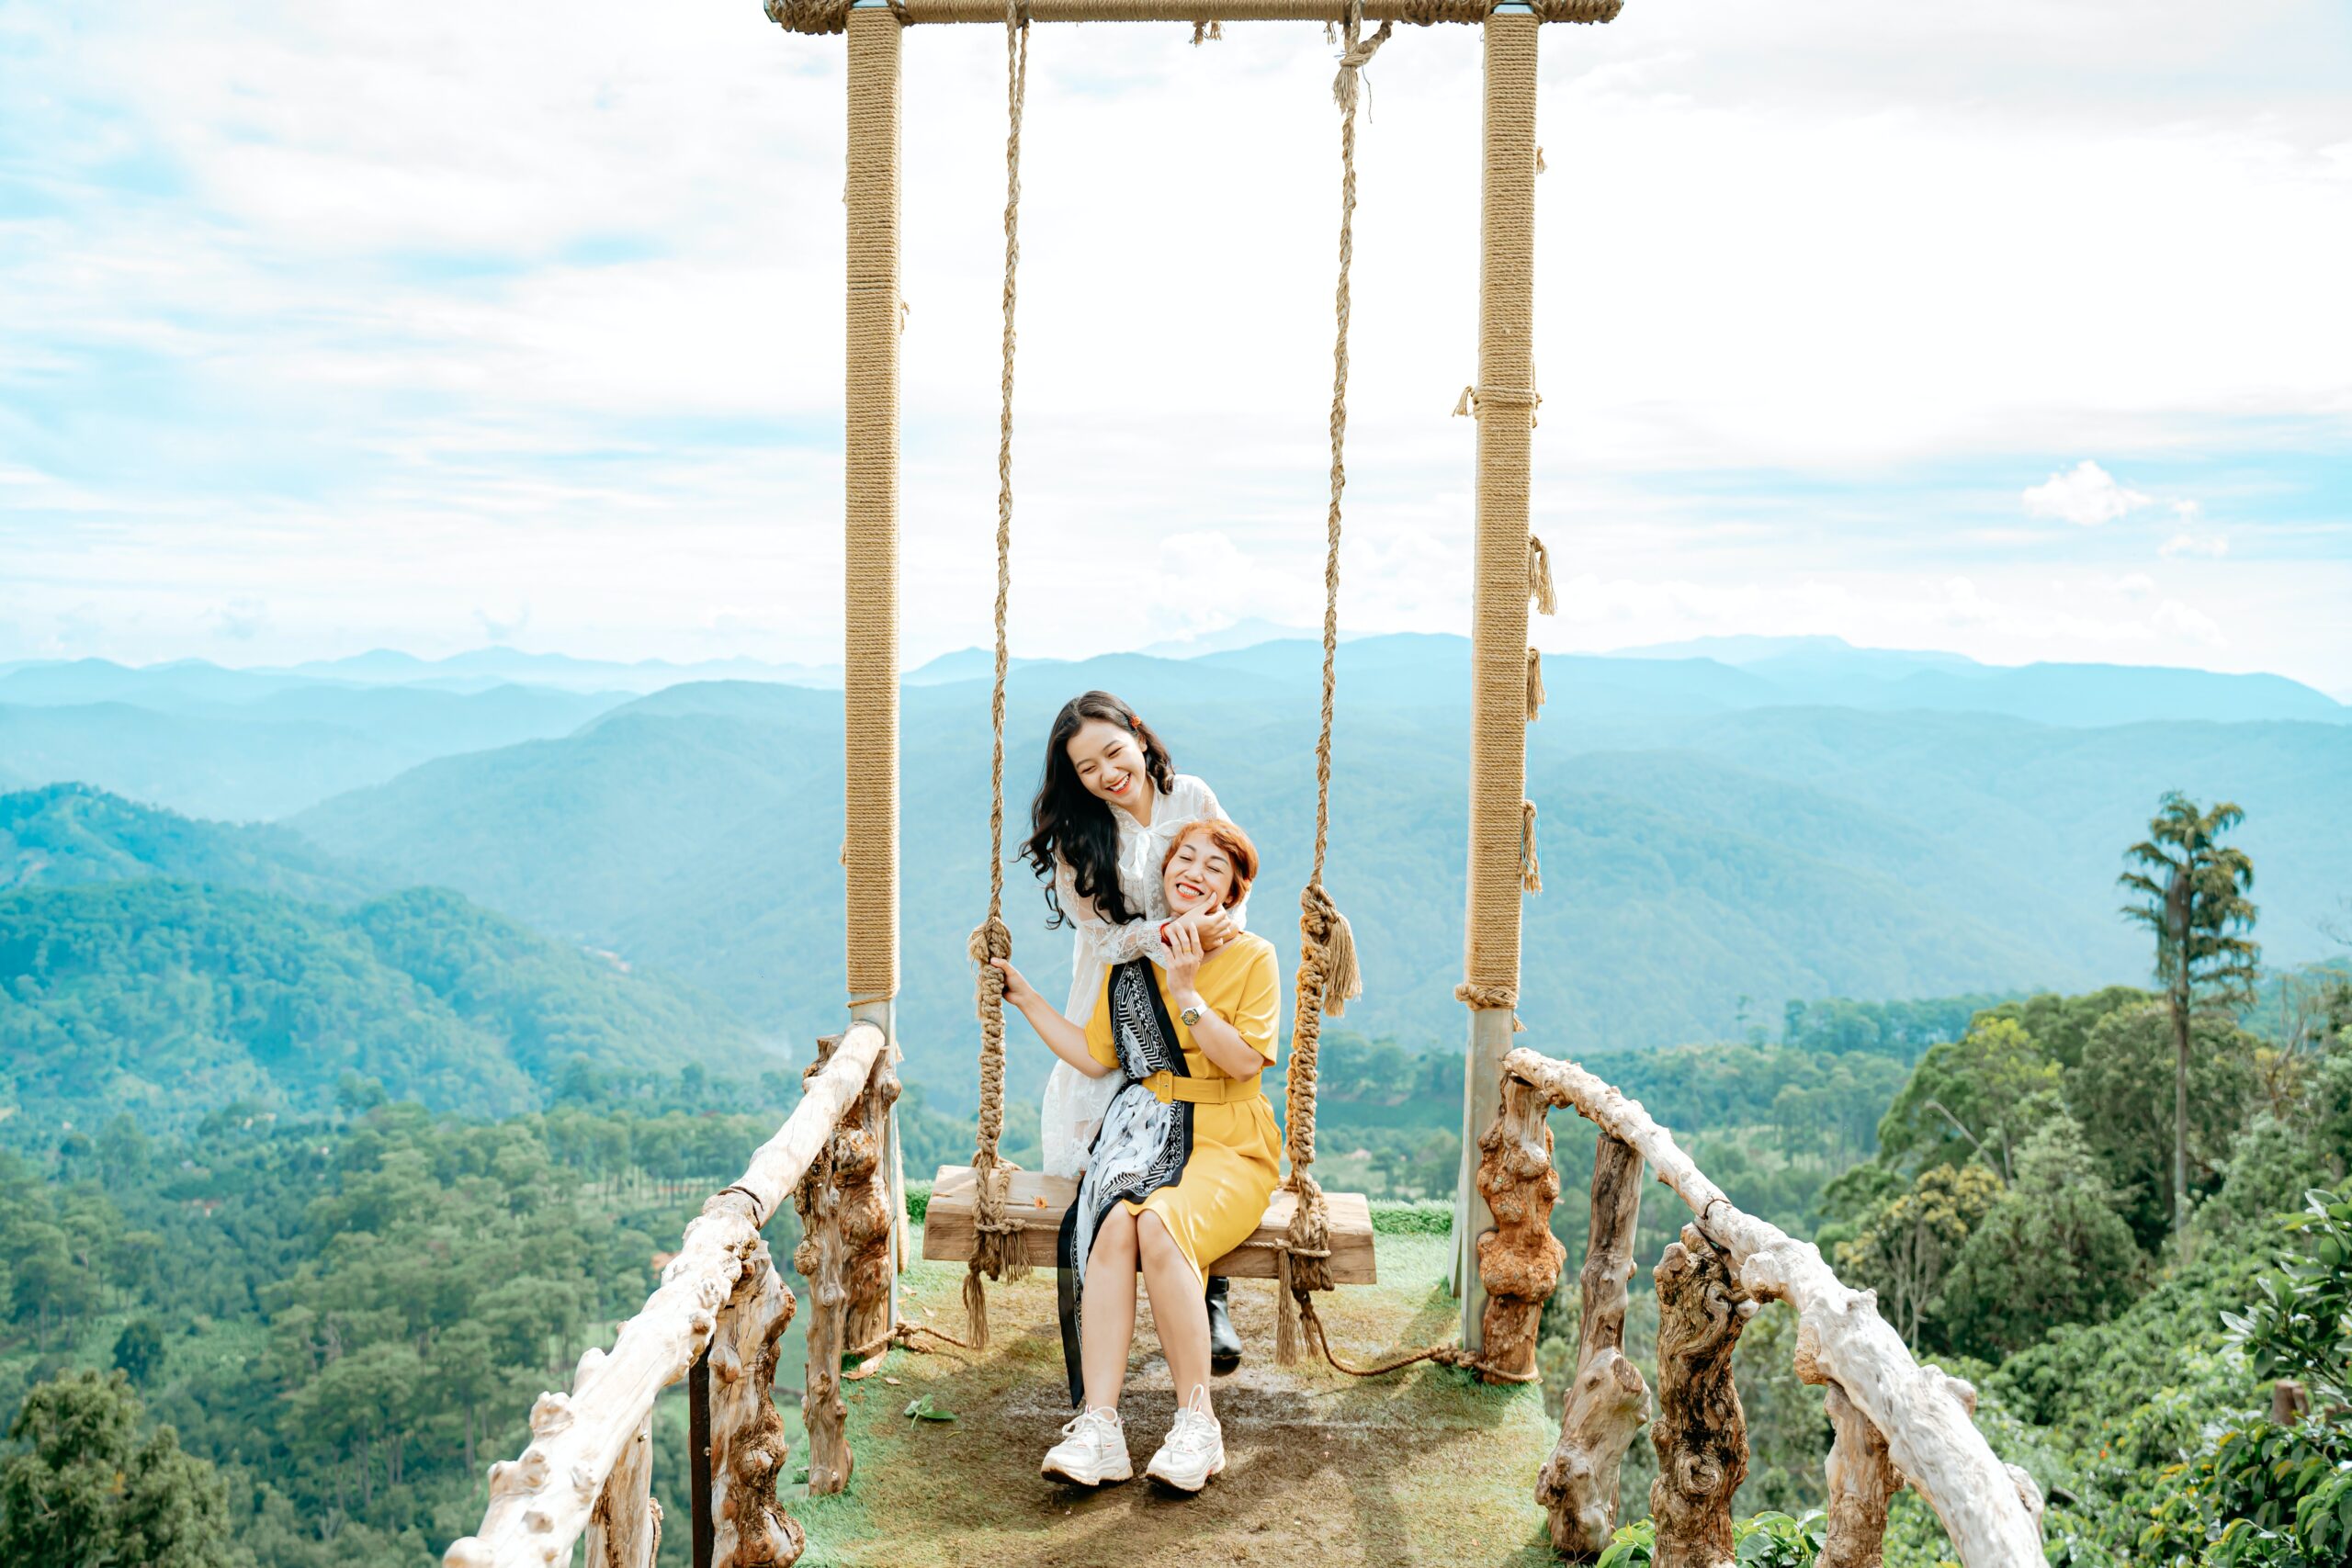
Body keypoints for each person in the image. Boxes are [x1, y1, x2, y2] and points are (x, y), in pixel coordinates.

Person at [992, 818, 1281, 1492]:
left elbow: (1242, 1063)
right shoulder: (1131, 961)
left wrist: (1186, 992)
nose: (1196, 871)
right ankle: (1100, 1427)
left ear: (1234, 889)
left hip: (1227, 1138)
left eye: (1215, 866)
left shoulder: (1254, 957)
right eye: (1185, 858)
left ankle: (1197, 1423)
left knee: (1159, 1221)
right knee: (1115, 1221)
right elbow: (1096, 1054)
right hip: (1148, 1131)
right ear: (1165, 873)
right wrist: (1026, 996)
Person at [1019, 690, 1247, 1371]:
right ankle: (1113, 1294)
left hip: (1199, 978)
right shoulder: (1081, 834)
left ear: (1140, 737)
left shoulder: (1194, 795)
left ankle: (1211, 1294)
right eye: (1086, 768)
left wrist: (1220, 932)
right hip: (1119, 989)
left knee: (1200, 1122)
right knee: (1124, 1145)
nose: (1107, 774)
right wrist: (1168, 932)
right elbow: (1103, 935)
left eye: (1113, 753)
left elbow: (1234, 865)